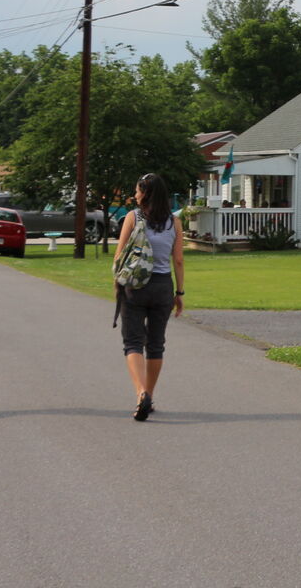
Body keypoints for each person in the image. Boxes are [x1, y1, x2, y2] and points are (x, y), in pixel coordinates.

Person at [112, 173, 185, 421]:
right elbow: (178, 260)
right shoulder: (174, 222)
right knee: (155, 344)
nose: (134, 195)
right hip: (163, 286)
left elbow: (119, 255)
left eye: (137, 190)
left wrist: (117, 283)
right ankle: (149, 395)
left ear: (145, 193)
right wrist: (180, 293)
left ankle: (141, 393)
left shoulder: (133, 217)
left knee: (132, 342)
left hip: (134, 286)